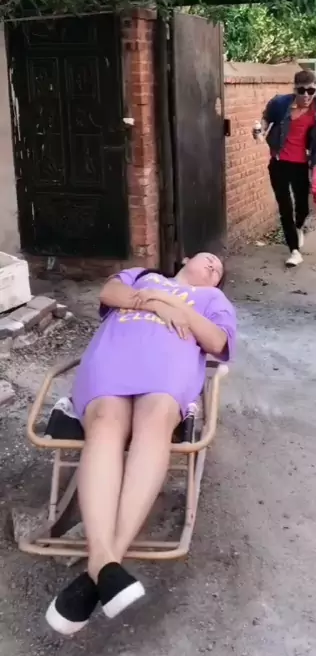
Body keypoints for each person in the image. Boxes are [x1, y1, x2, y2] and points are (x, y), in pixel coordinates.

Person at [46, 253, 236, 637]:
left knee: (155, 421)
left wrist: (178, 309)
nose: (213, 268)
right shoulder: (143, 275)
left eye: (218, 271)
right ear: (186, 259)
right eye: (208, 260)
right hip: (113, 357)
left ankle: (101, 565)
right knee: (104, 422)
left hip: (168, 364)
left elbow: (217, 341)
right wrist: (154, 302)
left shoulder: (212, 299)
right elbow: (109, 293)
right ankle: (107, 568)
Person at [258, 68, 316, 267]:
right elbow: (266, 118)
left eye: (311, 91)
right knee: (285, 208)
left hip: (302, 164)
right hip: (279, 162)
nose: (306, 95)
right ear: (294, 89)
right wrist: (260, 130)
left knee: (303, 207)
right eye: (302, 91)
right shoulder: (280, 104)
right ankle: (294, 251)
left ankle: (298, 228)